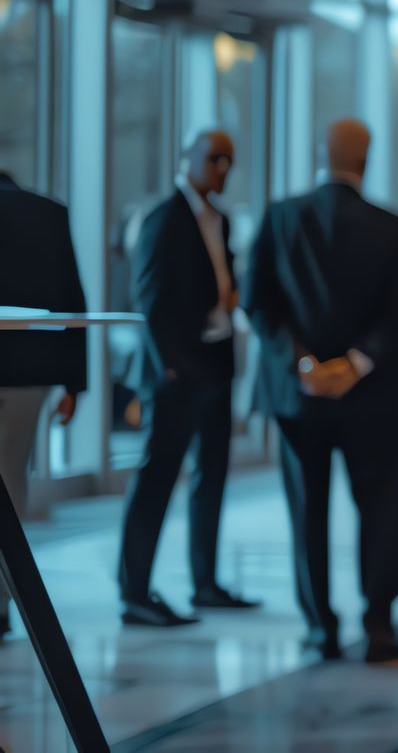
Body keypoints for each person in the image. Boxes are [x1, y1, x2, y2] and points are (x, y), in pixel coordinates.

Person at [244, 119, 398, 663]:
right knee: (380, 509)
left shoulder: (280, 217)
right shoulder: (392, 227)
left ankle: (321, 627)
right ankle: (380, 625)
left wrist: (305, 362)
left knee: (307, 510)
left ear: (320, 152)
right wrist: (354, 365)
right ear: (367, 159)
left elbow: (258, 303)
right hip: (372, 396)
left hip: (300, 396)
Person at [119, 130, 256, 627]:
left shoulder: (219, 219)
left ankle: (206, 583)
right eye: (214, 158)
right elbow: (148, 297)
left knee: (211, 476)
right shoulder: (163, 217)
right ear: (188, 158)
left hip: (216, 362)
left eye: (229, 160)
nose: (222, 168)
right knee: (157, 479)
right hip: (176, 371)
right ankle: (135, 591)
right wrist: (171, 366)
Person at [0, 169, 87, 642]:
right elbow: (73, 298)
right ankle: (3, 601)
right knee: (12, 483)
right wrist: (74, 384)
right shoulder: (48, 214)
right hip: (29, 375)